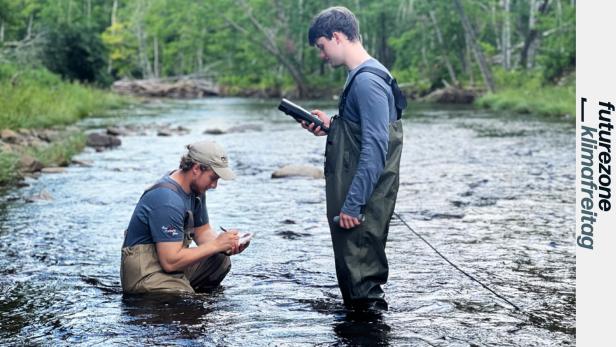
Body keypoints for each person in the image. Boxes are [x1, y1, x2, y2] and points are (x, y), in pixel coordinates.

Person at [302, 6, 406, 311]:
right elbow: (364, 133)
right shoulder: (363, 77)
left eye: (321, 47)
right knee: (355, 281)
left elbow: (375, 147)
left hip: (362, 198)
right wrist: (332, 126)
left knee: (363, 289)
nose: (322, 55)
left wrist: (353, 204)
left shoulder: (366, 82)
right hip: (361, 194)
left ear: (336, 36)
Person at [120, 140, 249, 294]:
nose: (214, 185)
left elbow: (202, 232)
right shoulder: (167, 200)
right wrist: (216, 245)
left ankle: (195, 294)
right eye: (213, 178)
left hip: (166, 261)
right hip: (144, 274)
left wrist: (227, 245)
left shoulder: (196, 190)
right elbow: (170, 262)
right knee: (183, 296)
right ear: (196, 169)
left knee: (219, 259)